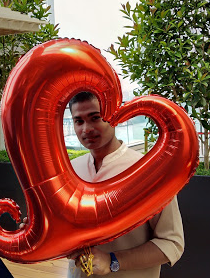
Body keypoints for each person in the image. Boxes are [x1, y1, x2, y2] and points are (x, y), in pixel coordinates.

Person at [67, 91, 184, 278]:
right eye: (79, 121)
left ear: (115, 116)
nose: (86, 129)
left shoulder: (149, 172)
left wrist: (113, 261)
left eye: (95, 118)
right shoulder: (71, 170)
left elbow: (171, 243)